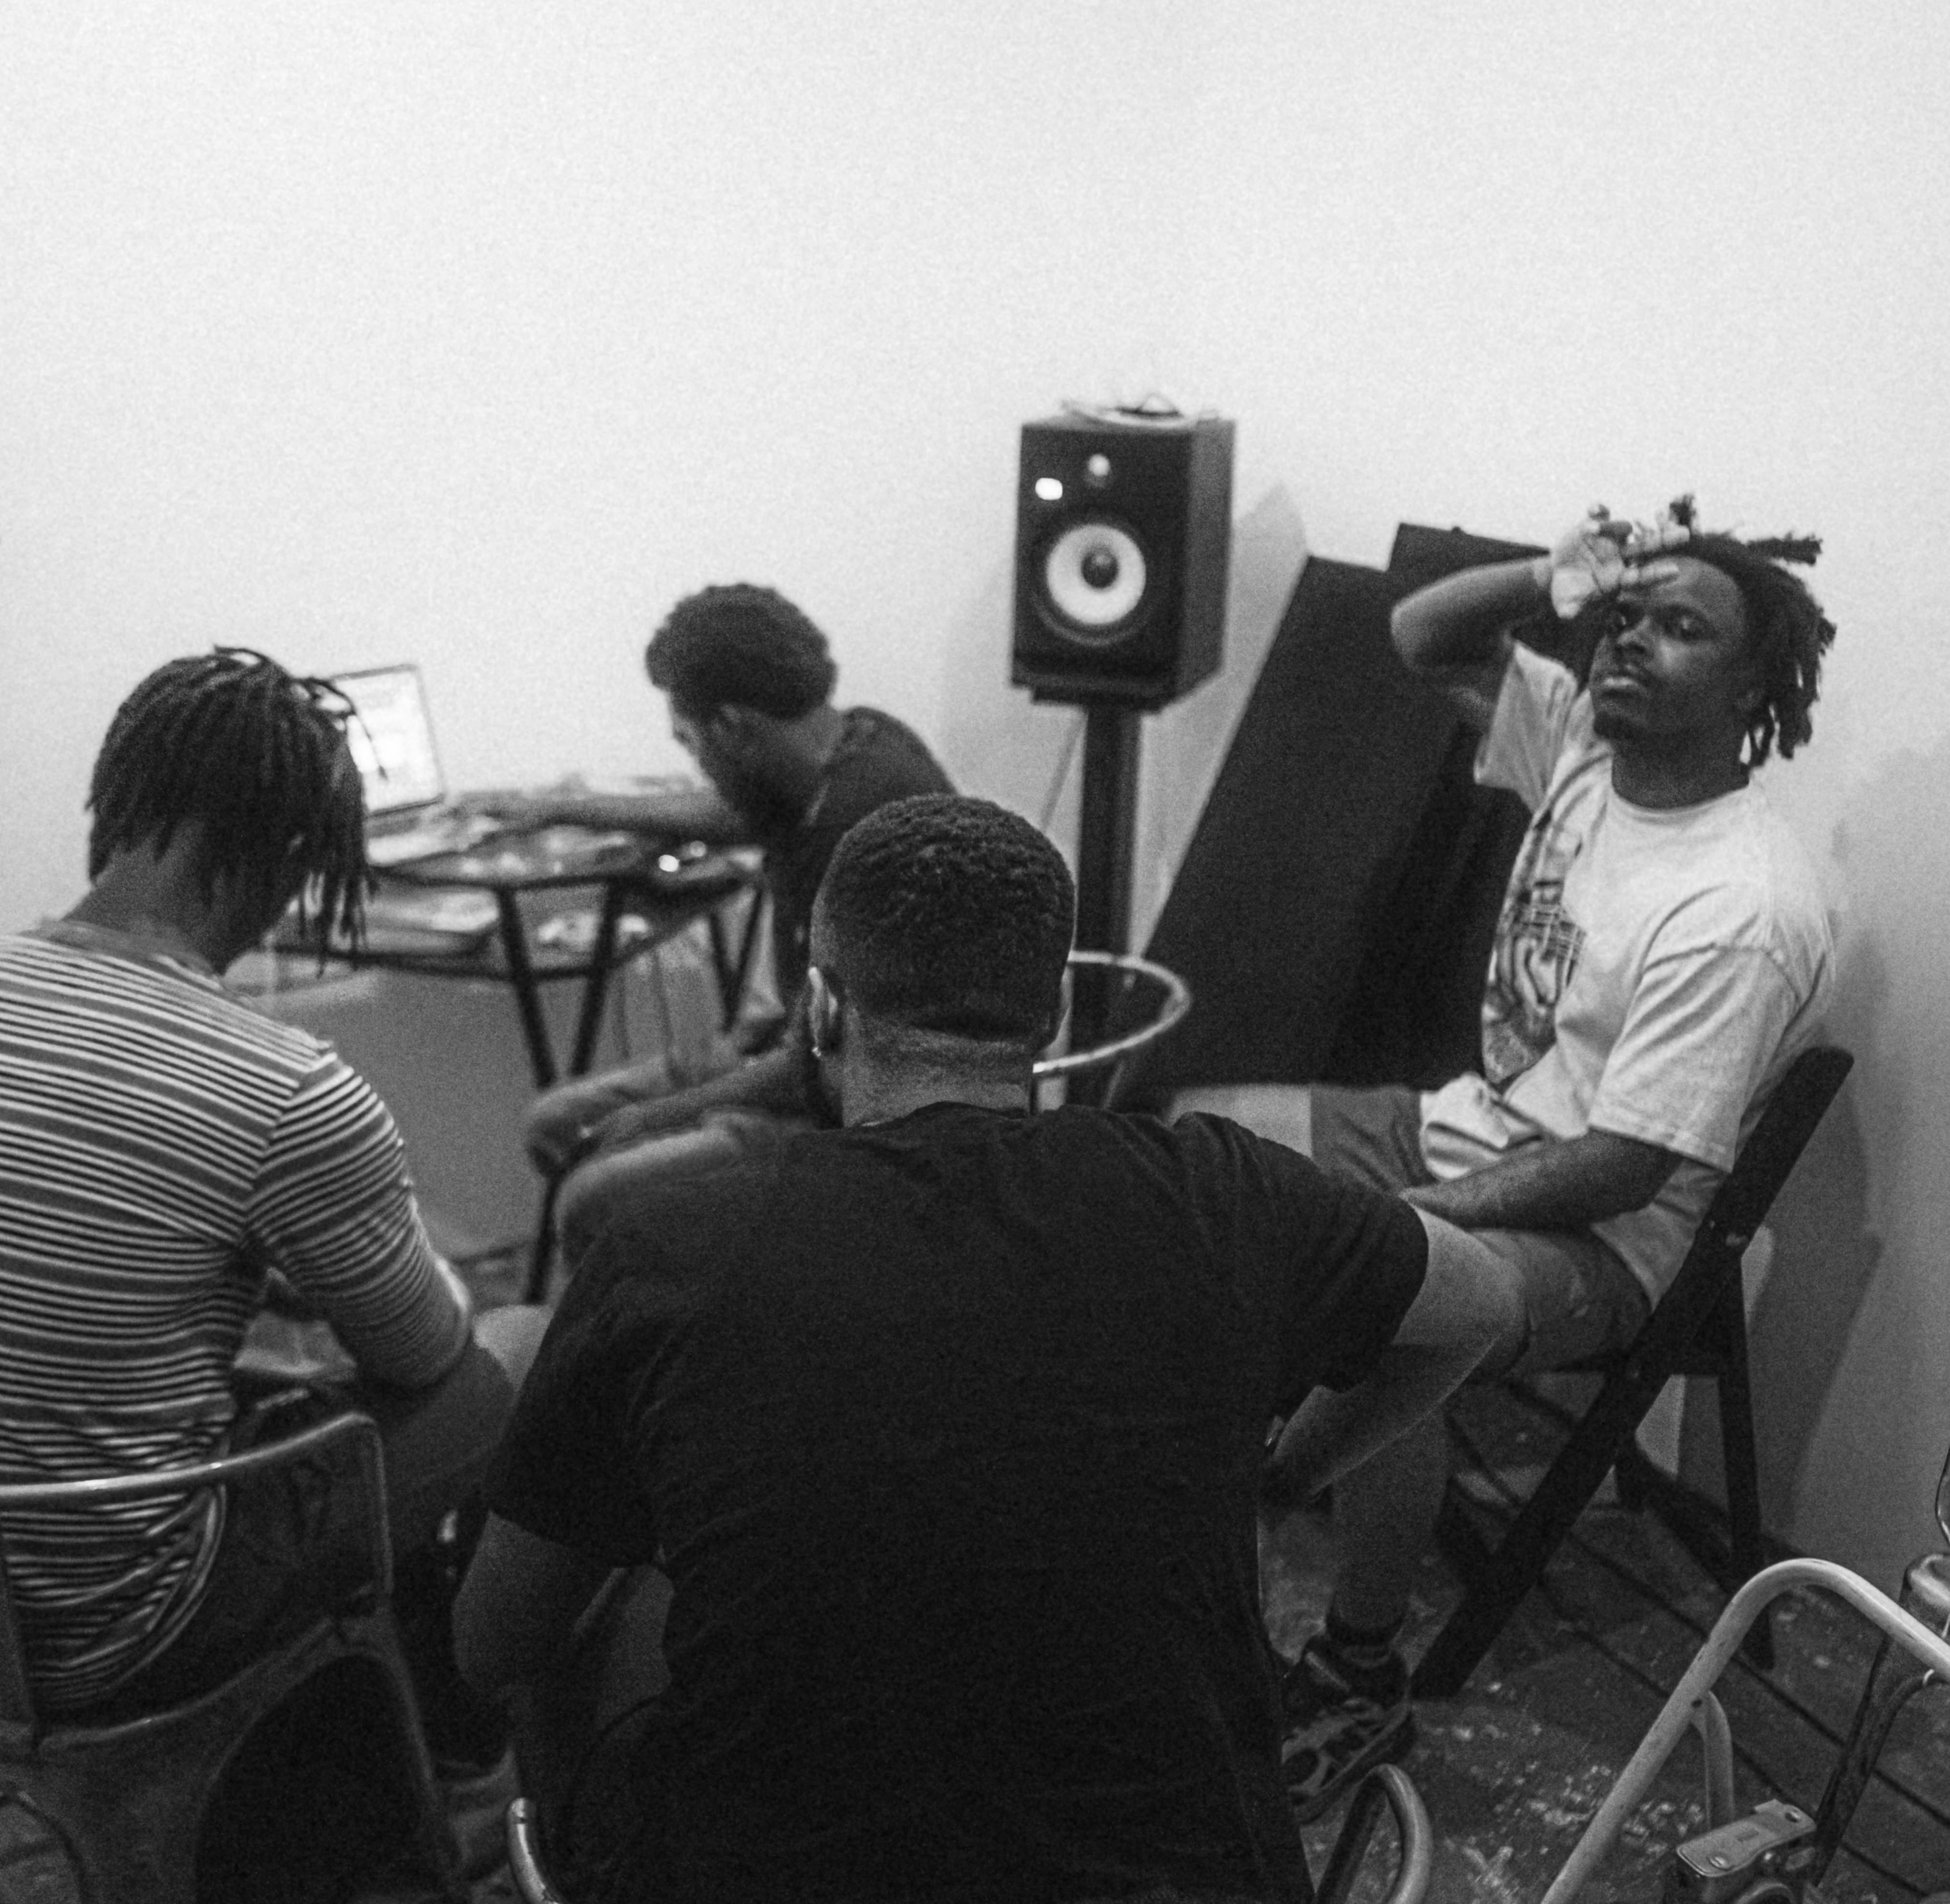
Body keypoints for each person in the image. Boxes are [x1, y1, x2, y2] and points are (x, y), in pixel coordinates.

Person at [455, 795, 1440, 1904]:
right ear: (1056, 1015)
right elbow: (1485, 1306)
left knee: (624, 1608)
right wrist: (1292, 1470)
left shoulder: (669, 1250)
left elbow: (493, 1645)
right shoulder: (1228, 1192)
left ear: (823, 1008)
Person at [1173, 499, 1839, 1817]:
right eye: (1627, 618)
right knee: (1195, 1144)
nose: (1633, 642)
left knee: (1390, 1293)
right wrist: (1553, 572)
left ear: (1754, 683)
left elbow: (1627, 1165)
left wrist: (1394, 1220)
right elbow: (1416, 635)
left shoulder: (1741, 903)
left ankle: (1354, 1666)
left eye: (1683, 627)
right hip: (1471, 1129)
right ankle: (1242, 1478)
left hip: (1606, 1236)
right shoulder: (1589, 748)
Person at [0, 648, 532, 1749]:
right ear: (291, 857)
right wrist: (416, 1274)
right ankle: (469, 1742)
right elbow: (424, 1357)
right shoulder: (283, 1088)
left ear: (118, 799)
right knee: (516, 1354)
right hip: (115, 1631)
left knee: (287, 1378)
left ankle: (372, 1723)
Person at [484, 583, 949, 1245]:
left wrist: (660, 1115)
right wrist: (568, 806)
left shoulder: (850, 832)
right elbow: (732, 814)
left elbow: (813, 1065)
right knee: (555, 1123)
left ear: (733, 729)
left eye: (690, 742)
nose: (696, 763)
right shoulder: (857, 740)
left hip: (844, 1111)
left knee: (593, 1199)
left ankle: (654, 1342)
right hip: (785, 1054)